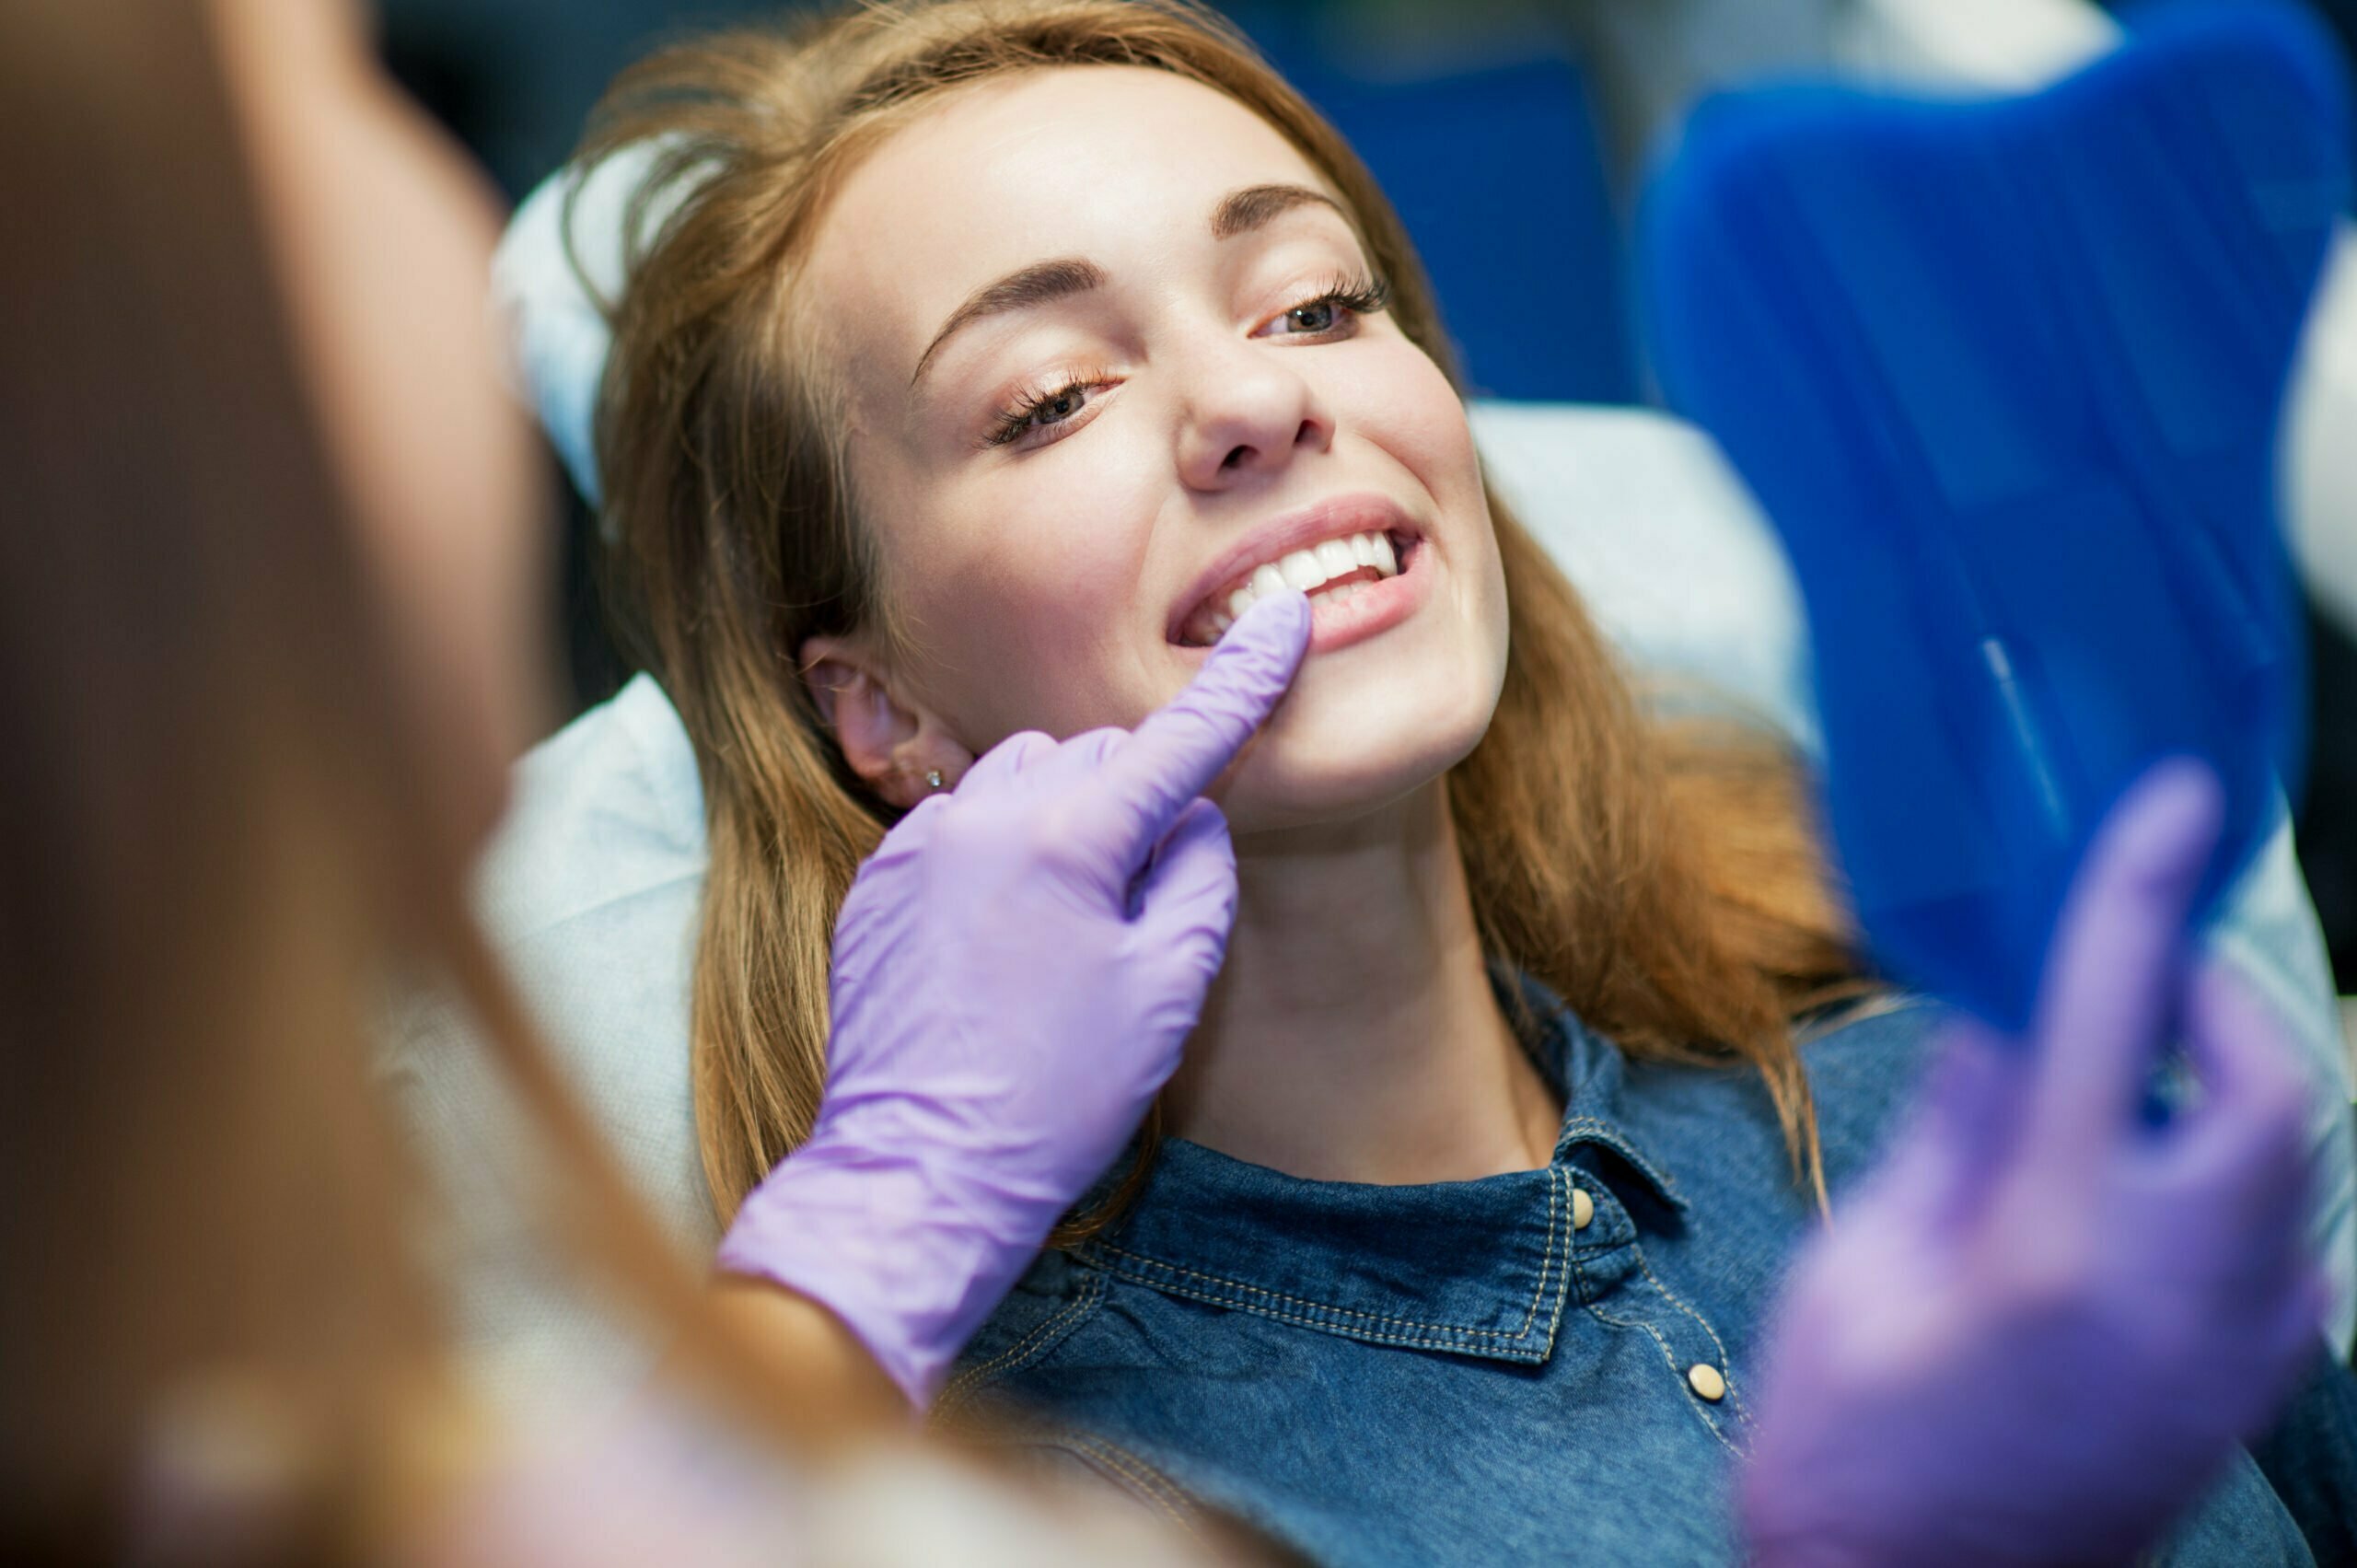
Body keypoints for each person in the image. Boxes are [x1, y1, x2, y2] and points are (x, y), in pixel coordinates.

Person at [550, 1, 2347, 1561]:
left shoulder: (1969, 1110)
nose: (1252, 400)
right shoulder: (1020, 1504)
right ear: (879, 718)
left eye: (1315, 302)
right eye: (1049, 398)